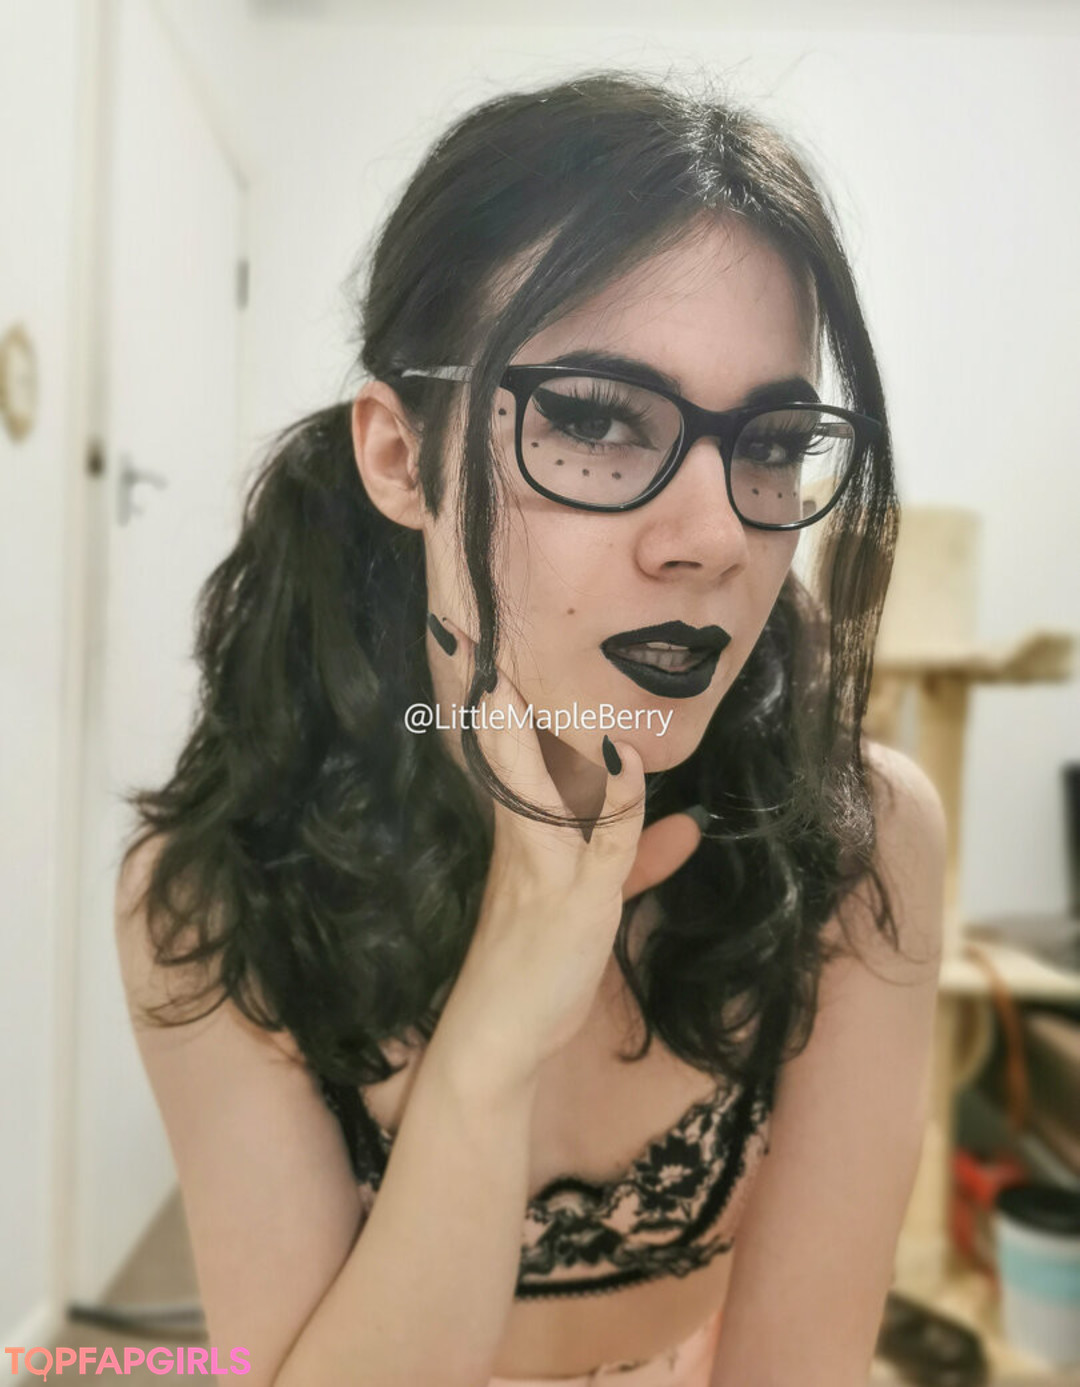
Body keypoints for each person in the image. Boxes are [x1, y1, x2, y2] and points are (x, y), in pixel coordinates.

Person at [114, 70, 946, 1387]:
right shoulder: (217, 895)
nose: (716, 538)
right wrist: (491, 1044)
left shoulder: (858, 840)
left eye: (773, 442)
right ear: (402, 459)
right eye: (595, 419)